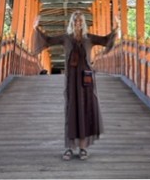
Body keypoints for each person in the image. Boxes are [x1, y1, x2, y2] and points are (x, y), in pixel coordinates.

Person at [32, 10, 119, 161]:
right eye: (75, 21)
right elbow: (47, 40)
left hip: (87, 82)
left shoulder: (89, 38)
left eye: (80, 21)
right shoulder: (65, 38)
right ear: (71, 22)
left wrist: (117, 28)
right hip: (72, 81)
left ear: (83, 23)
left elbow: (106, 40)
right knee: (71, 111)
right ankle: (69, 148)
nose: (77, 23)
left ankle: (83, 148)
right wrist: (36, 28)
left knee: (85, 111)